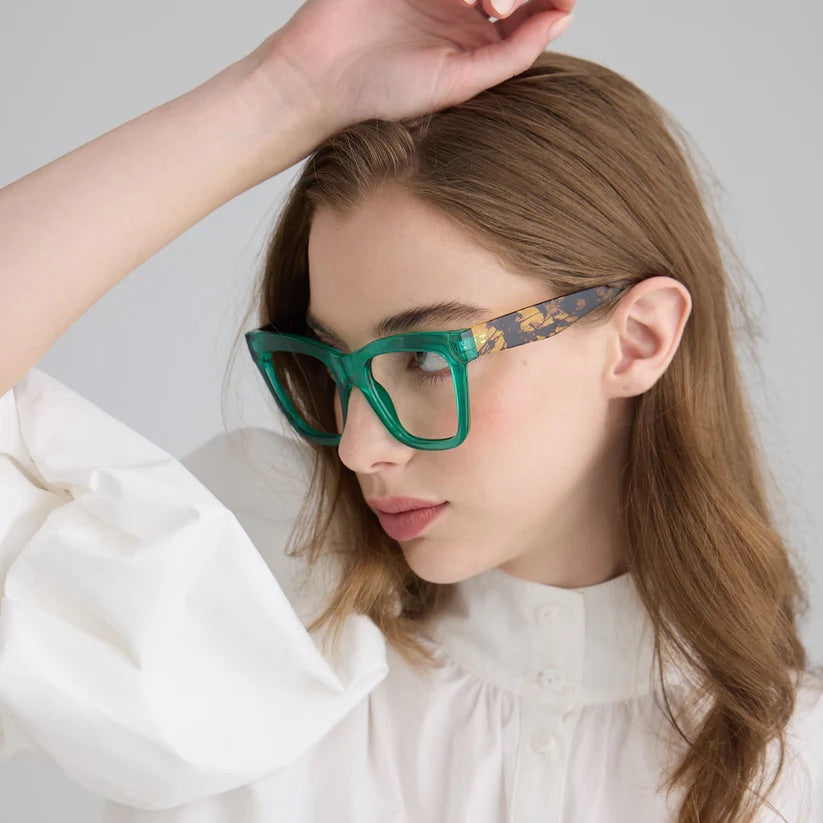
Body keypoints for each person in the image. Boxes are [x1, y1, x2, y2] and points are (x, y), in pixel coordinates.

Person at [0, 1, 820, 822]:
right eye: (335, 364)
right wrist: (286, 90)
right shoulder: (247, 646)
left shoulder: (795, 767)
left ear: (638, 339)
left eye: (426, 359)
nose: (358, 445)